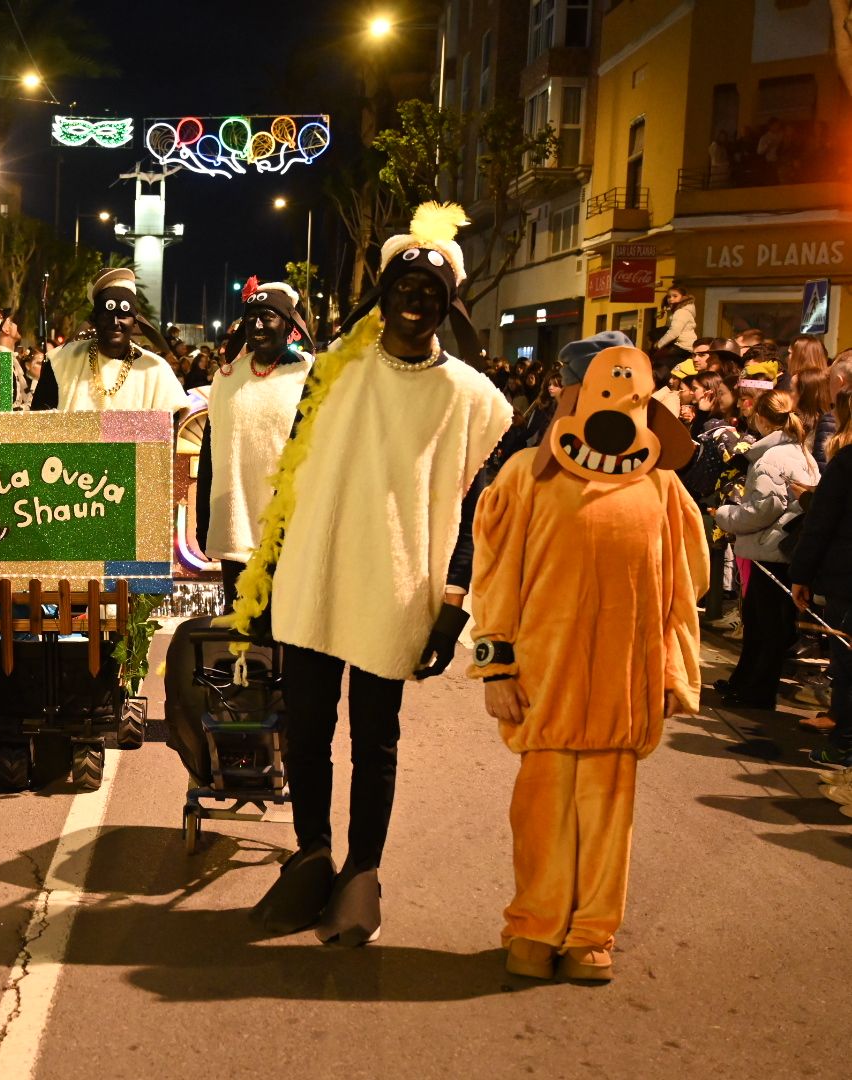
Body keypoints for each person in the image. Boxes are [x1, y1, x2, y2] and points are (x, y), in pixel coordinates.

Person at [234, 203, 512, 943]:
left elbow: (480, 510)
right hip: (316, 575)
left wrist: (453, 607)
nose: (415, 304)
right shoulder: (334, 371)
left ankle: (363, 869)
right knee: (306, 729)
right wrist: (264, 581)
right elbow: (290, 479)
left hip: (397, 587)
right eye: (403, 289)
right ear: (383, 294)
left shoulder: (473, 399)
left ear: (449, 305)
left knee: (375, 736)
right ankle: (312, 854)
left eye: (431, 294)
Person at [469, 343, 704, 982]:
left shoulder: (663, 487)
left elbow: (682, 584)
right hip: (546, 677)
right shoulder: (526, 475)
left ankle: (590, 935)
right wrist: (495, 665)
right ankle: (536, 927)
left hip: (623, 680)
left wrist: (673, 668)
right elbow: (494, 573)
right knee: (543, 808)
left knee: (607, 813)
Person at [195, 280, 311, 605]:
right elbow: (210, 451)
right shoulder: (227, 378)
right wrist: (204, 519)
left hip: (290, 530)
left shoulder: (308, 376)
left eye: (267, 316)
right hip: (235, 524)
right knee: (239, 629)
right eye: (251, 318)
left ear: (288, 324)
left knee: (286, 627)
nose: (257, 325)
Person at [714, 390, 820, 708]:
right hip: (783, 550)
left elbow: (761, 510)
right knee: (765, 624)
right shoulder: (801, 453)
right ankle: (745, 683)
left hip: (768, 552)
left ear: (761, 418)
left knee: (764, 625)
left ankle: (755, 691)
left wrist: (724, 515)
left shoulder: (772, 458)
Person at [30, 268, 187, 414]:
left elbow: (169, 431)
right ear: (95, 319)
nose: (115, 321)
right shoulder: (61, 362)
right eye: (107, 314)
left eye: (123, 315)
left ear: (134, 321)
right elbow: (38, 423)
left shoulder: (156, 369)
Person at [789, 431, 852, 772]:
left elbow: (821, 522)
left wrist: (802, 574)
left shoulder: (847, 462)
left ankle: (842, 746)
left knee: (847, 669)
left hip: (847, 582)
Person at [654, 285, 697, 359]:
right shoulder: (678, 311)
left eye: (675, 296)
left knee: (660, 365)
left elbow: (674, 331)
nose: (671, 299)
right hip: (684, 347)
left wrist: (659, 344)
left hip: (682, 347)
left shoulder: (681, 312)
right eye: (669, 297)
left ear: (683, 297)